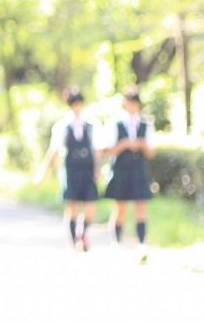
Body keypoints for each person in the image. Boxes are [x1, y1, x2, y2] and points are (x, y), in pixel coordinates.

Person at [34, 91, 102, 251]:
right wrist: (42, 174)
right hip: (70, 169)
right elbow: (53, 151)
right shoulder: (62, 126)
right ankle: (73, 241)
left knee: (90, 207)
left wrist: (98, 170)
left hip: (88, 169)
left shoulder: (92, 125)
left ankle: (82, 234)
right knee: (71, 206)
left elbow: (97, 151)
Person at [101, 89, 156, 261]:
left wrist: (141, 145)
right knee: (121, 207)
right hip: (121, 169)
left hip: (139, 169)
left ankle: (141, 243)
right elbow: (107, 151)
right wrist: (124, 145)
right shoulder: (115, 123)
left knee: (141, 206)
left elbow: (151, 152)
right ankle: (116, 242)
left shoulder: (146, 124)